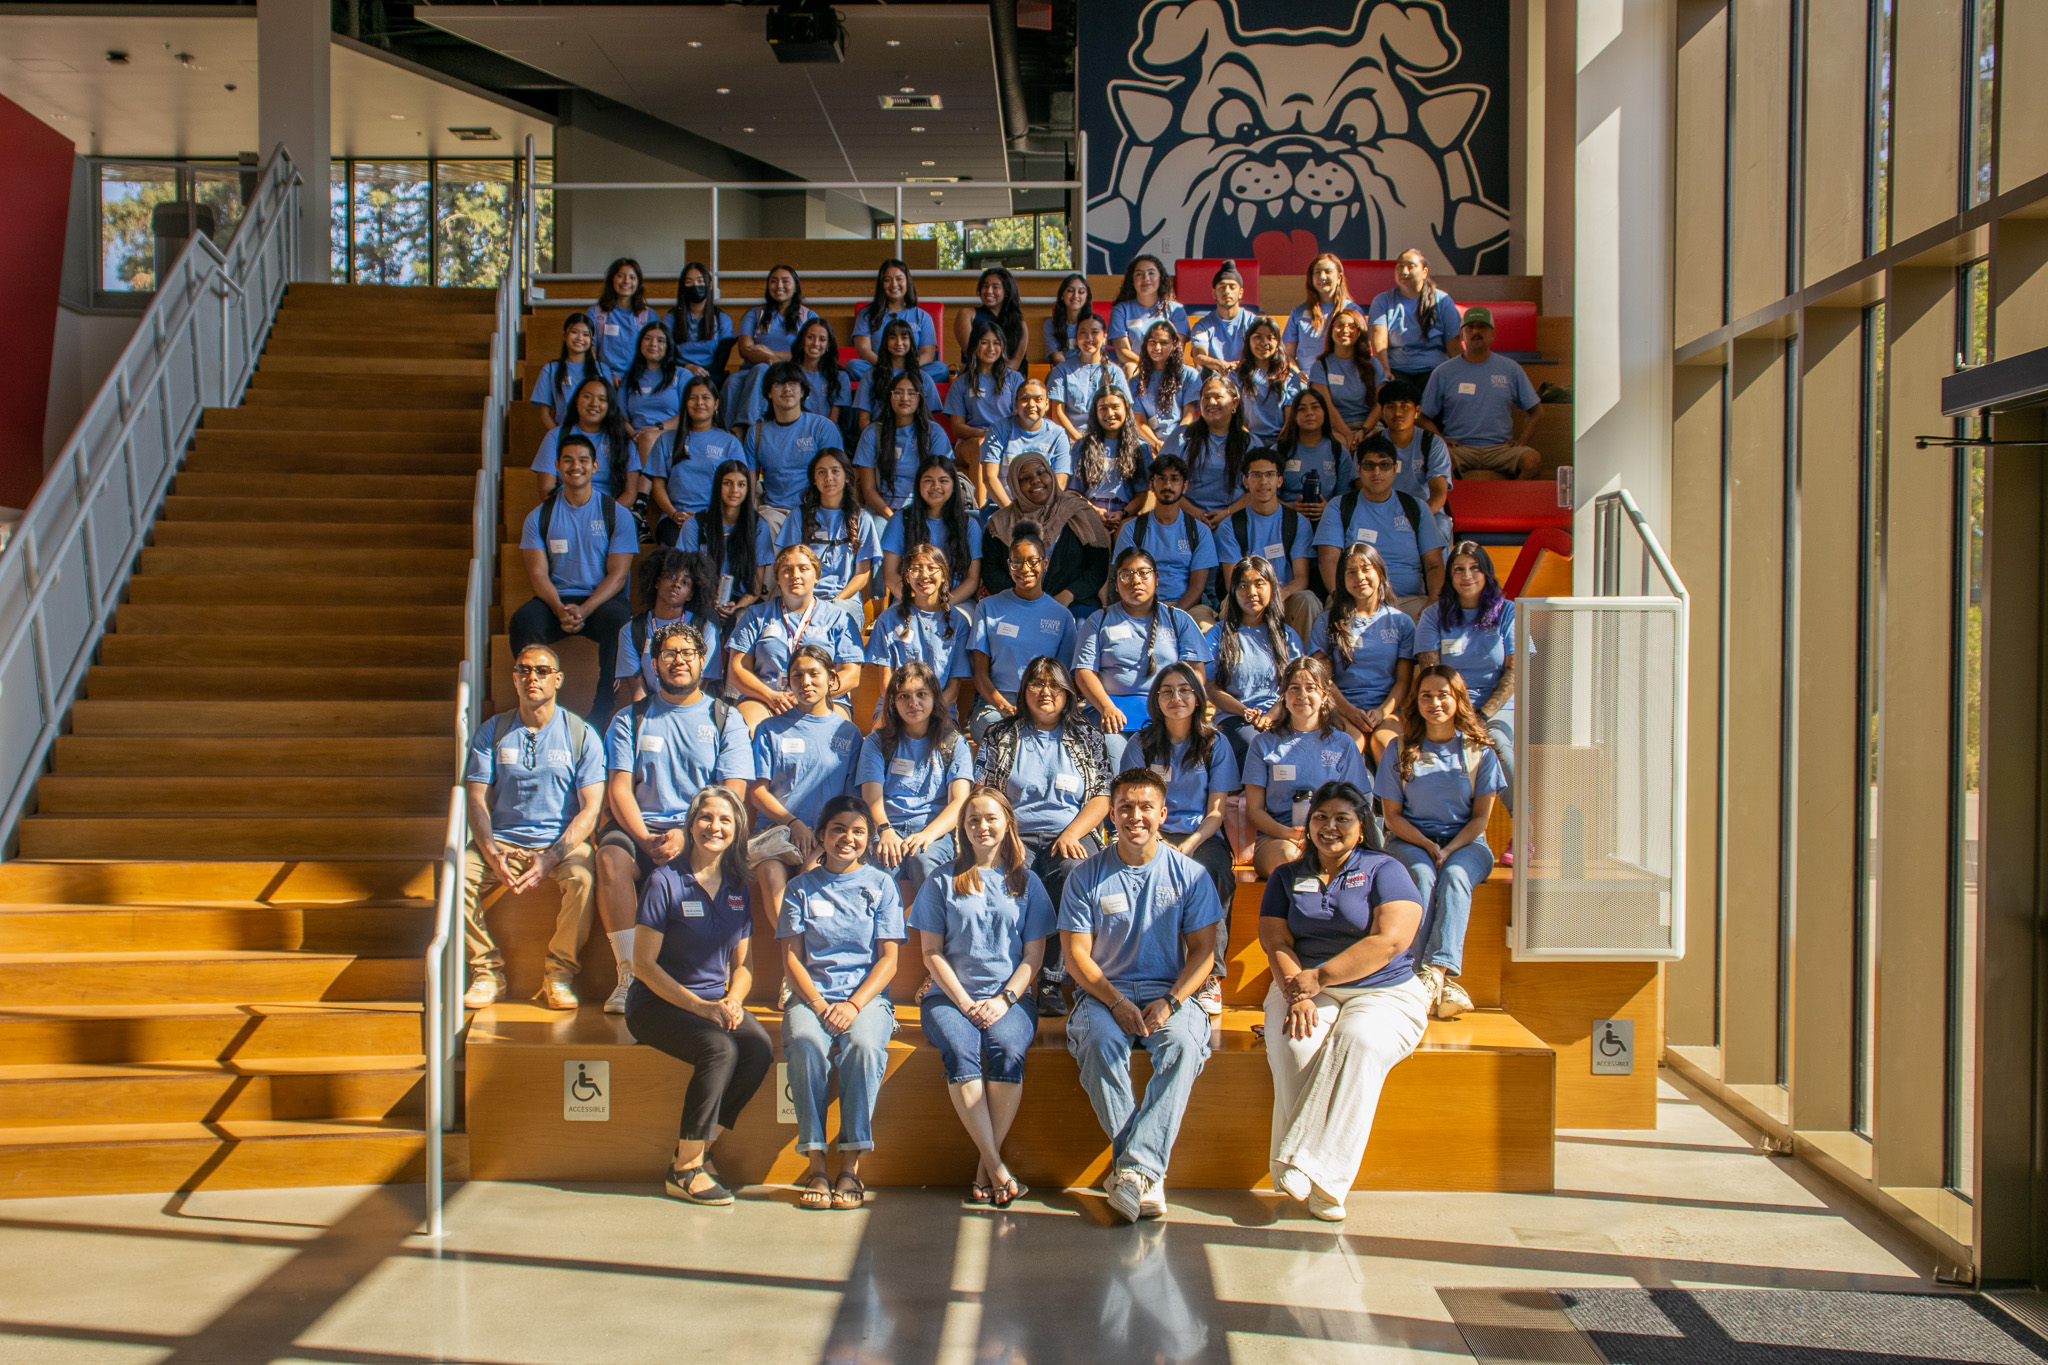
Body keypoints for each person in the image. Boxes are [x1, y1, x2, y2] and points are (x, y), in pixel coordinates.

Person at [1260, 780, 1431, 1221]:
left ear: (1361, 827)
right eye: (1320, 817)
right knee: (1296, 1045)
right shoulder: (1286, 875)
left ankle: (1311, 1169)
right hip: (1302, 983)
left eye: (1342, 818)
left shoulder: (1384, 868)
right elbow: (1274, 937)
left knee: (1358, 1041)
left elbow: (1391, 940)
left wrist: (1320, 978)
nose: (1329, 826)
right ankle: (1323, 1180)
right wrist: (1295, 988)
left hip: (1385, 991)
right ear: (1308, 823)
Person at [1060, 767, 1225, 1222]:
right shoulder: (1085, 876)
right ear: (1110, 815)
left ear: (1163, 813)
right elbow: (1077, 957)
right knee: (1098, 1042)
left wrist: (1171, 1002)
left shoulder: (1190, 875)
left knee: (1185, 1044)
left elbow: (1203, 954)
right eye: (1125, 808)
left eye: (1145, 808)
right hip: (1103, 994)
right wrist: (1115, 1001)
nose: (1135, 816)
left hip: (1168, 992)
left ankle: (1132, 1172)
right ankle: (1145, 1173)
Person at [626, 785, 773, 1205]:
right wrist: (701, 1008)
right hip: (657, 1003)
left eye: (725, 820)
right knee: (720, 1050)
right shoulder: (664, 881)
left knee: (759, 1048)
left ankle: (695, 1150)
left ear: (737, 830)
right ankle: (686, 1170)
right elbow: (644, 965)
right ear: (691, 825)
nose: (715, 826)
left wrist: (733, 1001)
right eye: (706, 817)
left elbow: (743, 966)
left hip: (712, 1003)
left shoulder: (738, 886)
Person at [909, 786, 1055, 1208]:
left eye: (991, 818)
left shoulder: (1028, 882)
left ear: (1008, 822)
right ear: (963, 828)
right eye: (973, 820)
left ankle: (984, 1169)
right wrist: (964, 1001)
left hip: (1009, 998)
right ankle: (997, 1166)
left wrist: (1005, 999)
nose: (982, 827)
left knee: (1007, 1050)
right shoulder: (942, 880)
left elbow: (1034, 956)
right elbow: (930, 952)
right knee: (962, 1049)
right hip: (948, 997)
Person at [599, 623, 755, 1011]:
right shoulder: (629, 719)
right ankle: (628, 972)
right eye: (668, 654)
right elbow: (619, 788)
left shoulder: (725, 717)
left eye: (687, 653)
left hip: (703, 828)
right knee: (609, 858)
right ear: (654, 664)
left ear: (703, 661)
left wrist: (688, 835)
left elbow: (733, 791)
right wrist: (645, 840)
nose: (678, 661)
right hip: (642, 826)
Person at [460, 644, 605, 1010]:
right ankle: (486, 971)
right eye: (524, 670)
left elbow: (590, 809)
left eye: (542, 671)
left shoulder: (581, 734)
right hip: (502, 842)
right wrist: (491, 851)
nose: (532, 678)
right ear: (514, 678)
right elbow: (475, 798)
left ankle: (558, 974)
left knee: (584, 880)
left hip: (560, 845)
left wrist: (552, 857)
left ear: (558, 679)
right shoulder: (493, 730)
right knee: (455, 875)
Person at [778, 795, 905, 1211]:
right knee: (805, 1045)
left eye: (857, 832)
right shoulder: (798, 889)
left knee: (865, 1047)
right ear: (820, 836)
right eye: (837, 829)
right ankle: (815, 1163)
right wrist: (816, 1003)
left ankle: (850, 1164)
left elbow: (888, 960)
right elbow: (792, 958)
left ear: (868, 840)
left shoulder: (881, 884)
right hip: (812, 995)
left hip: (864, 997)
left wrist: (852, 1005)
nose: (847, 838)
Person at [975, 655, 1114, 1015]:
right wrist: (1008, 836)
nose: (1045, 691)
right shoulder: (1001, 734)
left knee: (1071, 872)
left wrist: (1072, 833)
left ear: (1068, 692)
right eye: (1036, 683)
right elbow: (985, 793)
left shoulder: (1087, 735)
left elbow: (1101, 794)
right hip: (1013, 833)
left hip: (1071, 832)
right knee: (1006, 875)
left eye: (1054, 684)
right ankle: (1003, 978)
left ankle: (1052, 981)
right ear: (1024, 691)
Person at [1375, 666, 1505, 1022]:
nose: (1435, 703)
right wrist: (1430, 848)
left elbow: (1481, 819)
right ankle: (1429, 978)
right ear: (1415, 703)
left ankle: (1434, 972)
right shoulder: (1398, 750)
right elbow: (1393, 818)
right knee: (1420, 874)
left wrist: (1447, 851)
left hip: (1466, 842)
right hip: (1410, 839)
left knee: (1456, 876)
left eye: (1443, 695)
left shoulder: (1480, 752)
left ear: (1458, 700)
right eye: (1426, 696)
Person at [1117, 662, 1240, 1014]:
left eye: (1185, 690)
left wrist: (1187, 846)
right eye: (1167, 691)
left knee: (1215, 871)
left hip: (1199, 835)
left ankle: (1210, 976)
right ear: (1156, 699)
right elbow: (1132, 805)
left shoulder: (1216, 743)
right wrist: (1157, 840)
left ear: (1198, 698)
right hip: (1149, 832)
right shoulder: (1141, 743)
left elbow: (1217, 811)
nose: (1176, 698)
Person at [513, 434, 638, 723]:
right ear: (557, 466)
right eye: (568, 460)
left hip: (599, 602)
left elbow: (618, 577)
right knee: (524, 620)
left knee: (620, 618)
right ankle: (537, 701)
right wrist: (559, 608)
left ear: (595, 466)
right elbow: (537, 574)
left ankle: (603, 705)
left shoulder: (616, 514)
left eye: (583, 460)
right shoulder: (538, 516)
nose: (575, 466)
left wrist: (584, 610)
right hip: (556, 601)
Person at [749, 644, 863, 929]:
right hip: (775, 832)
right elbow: (756, 790)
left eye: (814, 674)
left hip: (825, 835)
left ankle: (810, 962)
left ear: (831, 680)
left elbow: (851, 799)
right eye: (797, 676)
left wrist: (822, 833)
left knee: (812, 875)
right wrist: (793, 823)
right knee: (770, 874)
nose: (806, 682)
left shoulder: (848, 733)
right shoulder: (769, 729)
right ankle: (791, 956)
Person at [1075, 546, 1213, 762]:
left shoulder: (1179, 620)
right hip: (1112, 713)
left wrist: (1175, 706)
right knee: (1115, 754)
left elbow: (1195, 672)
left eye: (1143, 572)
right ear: (1117, 583)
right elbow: (1084, 671)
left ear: (1156, 578)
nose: (1135, 580)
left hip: (1166, 711)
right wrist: (1106, 707)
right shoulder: (1098, 620)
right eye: (1126, 574)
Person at [1240, 657, 1373, 877]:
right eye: (1294, 688)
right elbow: (1254, 811)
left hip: (1332, 835)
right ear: (1283, 696)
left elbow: (1357, 804)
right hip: (1278, 839)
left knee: (1330, 858)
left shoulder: (1344, 744)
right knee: (1292, 858)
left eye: (1310, 688)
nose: (1302, 695)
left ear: (1325, 695)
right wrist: (1291, 834)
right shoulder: (1262, 744)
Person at [1416, 542, 1520, 805]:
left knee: (1497, 743)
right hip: (1449, 709)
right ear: (1450, 576)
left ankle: (1526, 828)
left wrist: (1482, 716)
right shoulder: (1432, 616)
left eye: (1475, 568)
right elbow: (1431, 676)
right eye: (1459, 569)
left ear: (1486, 573)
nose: (1467, 576)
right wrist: (1461, 714)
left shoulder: (1508, 612)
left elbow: (1515, 672)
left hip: (1497, 711)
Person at [860, 661, 975, 898]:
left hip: (931, 830)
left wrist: (928, 835)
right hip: (886, 827)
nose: (913, 703)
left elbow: (959, 802)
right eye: (904, 696)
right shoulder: (876, 742)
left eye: (922, 694)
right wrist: (885, 830)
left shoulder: (954, 743)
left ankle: (935, 933)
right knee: (873, 880)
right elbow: (871, 794)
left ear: (935, 697)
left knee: (925, 863)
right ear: (893, 702)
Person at [725, 544, 866, 728]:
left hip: (822, 700)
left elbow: (851, 674)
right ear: (777, 578)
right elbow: (737, 669)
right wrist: (770, 696)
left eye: (804, 568)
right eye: (787, 570)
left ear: (816, 577)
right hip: (767, 697)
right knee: (746, 729)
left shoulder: (838, 617)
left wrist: (812, 694)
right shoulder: (755, 615)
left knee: (839, 735)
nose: (795, 575)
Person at [1313, 433, 1448, 618]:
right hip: (1353, 600)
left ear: (1395, 469)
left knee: (1435, 623)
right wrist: (1340, 598)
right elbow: (1329, 560)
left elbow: (1434, 564)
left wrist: (1434, 601)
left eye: (1384, 465)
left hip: (1409, 601)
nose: (1377, 472)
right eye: (1369, 466)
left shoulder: (1416, 507)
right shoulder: (1339, 506)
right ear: (1359, 470)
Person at [968, 531, 1082, 737]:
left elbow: (1064, 678)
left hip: (1044, 702)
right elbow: (980, 673)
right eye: (1017, 563)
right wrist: (1004, 707)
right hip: (995, 704)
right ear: (1008, 565)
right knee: (1003, 734)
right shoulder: (987, 608)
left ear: (1045, 563)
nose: (1024, 569)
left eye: (1032, 561)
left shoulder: (1062, 616)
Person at [1310, 544, 1415, 762]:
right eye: (1351, 572)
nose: (1360, 577)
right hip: (1340, 708)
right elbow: (1322, 679)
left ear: (1379, 572)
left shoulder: (1401, 622)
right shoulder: (1326, 621)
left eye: (1366, 568)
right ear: (1342, 578)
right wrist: (1349, 711)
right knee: (1352, 743)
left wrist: (1382, 712)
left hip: (1387, 710)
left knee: (1387, 747)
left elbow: (1404, 682)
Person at [1203, 556, 1308, 766]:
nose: (1251, 592)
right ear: (1232, 592)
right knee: (1253, 744)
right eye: (1243, 585)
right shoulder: (1218, 635)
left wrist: (1271, 715)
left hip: (1282, 715)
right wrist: (1244, 711)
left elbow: (1296, 686)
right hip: (1235, 717)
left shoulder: (1286, 636)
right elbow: (1211, 687)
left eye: (1259, 584)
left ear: (1273, 588)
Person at [1419, 307, 1543, 480]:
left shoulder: (1511, 369)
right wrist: (1441, 440)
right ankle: (1455, 507)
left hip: (1500, 449)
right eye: (1470, 327)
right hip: (1460, 448)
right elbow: (1423, 417)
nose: (1476, 331)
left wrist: (1522, 441)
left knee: (1532, 460)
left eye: (1482, 327)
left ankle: (1510, 504)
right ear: (1461, 335)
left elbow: (1537, 411)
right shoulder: (1443, 372)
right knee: (1439, 460)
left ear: (1492, 334)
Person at [1213, 451, 1321, 640]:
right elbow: (1233, 582)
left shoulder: (1297, 522)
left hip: (1285, 598)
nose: (1263, 482)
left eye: (1270, 475)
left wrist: (1280, 593)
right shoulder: (1230, 526)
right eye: (1256, 475)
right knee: (1230, 602)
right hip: (1248, 597)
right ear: (1246, 481)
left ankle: (1302, 665)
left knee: (1308, 600)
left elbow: (1302, 578)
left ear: (1280, 480)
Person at [980, 457, 1111, 610]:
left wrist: (1068, 595)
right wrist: (1027, 598)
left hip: (1075, 603)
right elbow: (992, 572)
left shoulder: (1080, 512)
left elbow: (1098, 567)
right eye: (1025, 478)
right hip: (1017, 605)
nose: (1035, 480)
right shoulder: (999, 523)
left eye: (1041, 473)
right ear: (1015, 485)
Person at [865, 547, 975, 716]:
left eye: (932, 568)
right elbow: (886, 683)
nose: (924, 575)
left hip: (940, 710)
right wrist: (906, 712)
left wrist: (928, 714)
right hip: (895, 709)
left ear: (944, 575)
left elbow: (953, 688)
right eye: (916, 569)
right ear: (907, 577)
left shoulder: (958, 622)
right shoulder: (888, 619)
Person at [774, 447, 883, 613]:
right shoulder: (798, 517)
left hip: (845, 603)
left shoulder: (862, 519)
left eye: (835, 471)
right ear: (813, 479)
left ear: (847, 476)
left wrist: (834, 602)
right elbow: (787, 565)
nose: (828, 478)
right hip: (803, 601)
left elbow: (862, 574)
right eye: (821, 472)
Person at [614, 546, 722, 707]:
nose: (677, 584)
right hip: (650, 709)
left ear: (691, 594)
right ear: (657, 582)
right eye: (671, 577)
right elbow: (638, 691)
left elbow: (699, 687)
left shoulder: (706, 630)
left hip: (691, 710)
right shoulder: (631, 630)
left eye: (685, 582)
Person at [1107, 457, 1217, 614]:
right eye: (1161, 479)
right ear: (1151, 484)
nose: (1168, 485)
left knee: (1206, 632)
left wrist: (1172, 615)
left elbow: (1197, 587)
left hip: (1188, 608)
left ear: (1185, 486)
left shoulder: (1199, 531)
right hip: (1141, 606)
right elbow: (1127, 579)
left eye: (1175, 479)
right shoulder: (1132, 529)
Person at [744, 362, 843, 526]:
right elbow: (750, 481)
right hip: (773, 511)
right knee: (763, 528)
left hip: (815, 509)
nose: (787, 389)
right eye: (780, 383)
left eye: (793, 383)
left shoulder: (822, 427)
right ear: (769, 392)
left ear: (803, 391)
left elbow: (837, 475)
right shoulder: (756, 432)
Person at [646, 377, 747, 539]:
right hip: (675, 520)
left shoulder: (730, 443)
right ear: (685, 404)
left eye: (705, 398)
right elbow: (658, 487)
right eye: (693, 398)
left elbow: (740, 487)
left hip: (717, 518)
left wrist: (719, 516)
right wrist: (674, 515)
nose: (699, 402)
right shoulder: (665, 440)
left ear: (716, 404)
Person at [679, 459, 775, 627]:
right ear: (718, 486)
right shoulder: (696, 524)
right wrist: (711, 603)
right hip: (701, 598)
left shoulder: (758, 526)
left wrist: (736, 606)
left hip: (743, 600)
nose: (734, 490)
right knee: (708, 618)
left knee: (740, 619)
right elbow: (686, 575)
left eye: (741, 485)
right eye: (727, 483)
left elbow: (755, 587)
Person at [725, 264, 817, 429]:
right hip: (751, 370)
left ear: (796, 285)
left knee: (762, 370)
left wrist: (769, 353)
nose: (779, 286)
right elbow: (745, 349)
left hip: (789, 373)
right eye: (774, 281)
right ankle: (726, 434)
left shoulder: (807, 316)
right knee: (732, 381)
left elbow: (807, 353)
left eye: (785, 281)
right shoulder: (755, 314)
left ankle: (748, 428)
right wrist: (769, 358)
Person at [881, 456, 982, 603]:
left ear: (954, 486)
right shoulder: (901, 520)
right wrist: (917, 603)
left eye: (943, 481)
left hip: (957, 601)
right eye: (928, 480)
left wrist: (943, 604)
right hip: (909, 600)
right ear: (918, 485)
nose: (936, 486)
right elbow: (889, 575)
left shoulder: (969, 524)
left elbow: (973, 579)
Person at [943, 321, 1024, 503]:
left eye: (996, 343)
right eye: (984, 342)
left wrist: (997, 435)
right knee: (982, 446)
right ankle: (978, 513)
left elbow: (1020, 417)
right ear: (974, 346)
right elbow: (957, 428)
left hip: (1007, 439)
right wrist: (985, 434)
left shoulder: (1014, 379)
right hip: (971, 442)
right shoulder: (961, 383)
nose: (991, 348)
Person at [855, 371, 953, 517]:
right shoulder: (872, 433)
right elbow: (868, 489)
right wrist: (891, 516)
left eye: (912, 393)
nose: (905, 398)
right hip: (882, 511)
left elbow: (942, 482)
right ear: (890, 397)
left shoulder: (934, 432)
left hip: (925, 509)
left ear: (920, 398)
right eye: (898, 393)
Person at [1369, 248, 1463, 389]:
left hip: (1435, 370)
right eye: (1400, 266)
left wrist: (1459, 376)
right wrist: (1385, 371)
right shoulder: (1382, 300)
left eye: (1410, 266)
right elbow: (1379, 342)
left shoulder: (1442, 301)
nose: (1404, 271)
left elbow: (1454, 346)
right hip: (1397, 370)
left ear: (1424, 272)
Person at [531, 376, 634, 501]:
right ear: (576, 401)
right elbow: (546, 490)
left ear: (610, 406)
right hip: (565, 510)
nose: (594, 403)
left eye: (602, 399)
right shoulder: (555, 436)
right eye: (587, 397)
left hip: (608, 512)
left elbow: (630, 493)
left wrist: (606, 516)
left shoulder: (622, 441)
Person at [737, 317, 849, 429]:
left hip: (824, 433)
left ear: (829, 345)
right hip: (789, 432)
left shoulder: (840, 377)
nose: (816, 343)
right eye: (810, 337)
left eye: (822, 339)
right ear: (802, 340)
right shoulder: (787, 373)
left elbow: (833, 420)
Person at [1379, 379, 1454, 545]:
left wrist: (1413, 520)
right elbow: (1362, 488)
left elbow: (1439, 494)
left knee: (1441, 527)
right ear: (1382, 413)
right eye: (1391, 407)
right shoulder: (1373, 444)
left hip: (1426, 513)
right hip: (1383, 513)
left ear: (1417, 411)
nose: (1398, 412)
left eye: (1405, 406)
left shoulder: (1432, 443)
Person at [1272, 388, 1354, 536]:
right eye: (1302, 409)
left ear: (1324, 412)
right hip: (1283, 522)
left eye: (1315, 407)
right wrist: (1290, 508)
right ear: (1294, 415)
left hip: (1327, 523)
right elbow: (1268, 494)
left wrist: (1329, 508)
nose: (1309, 413)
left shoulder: (1338, 452)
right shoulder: (1279, 450)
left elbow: (1345, 497)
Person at [849, 258, 946, 384]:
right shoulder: (867, 314)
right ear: (881, 284)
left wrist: (907, 369)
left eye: (899, 279)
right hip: (880, 368)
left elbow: (928, 353)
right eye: (887, 280)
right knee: (853, 366)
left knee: (941, 369)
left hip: (913, 370)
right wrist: (886, 367)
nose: (894, 284)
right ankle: (899, 382)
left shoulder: (922, 316)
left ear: (907, 282)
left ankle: (894, 382)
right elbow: (863, 349)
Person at [1070, 388, 1151, 536]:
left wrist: (1122, 514)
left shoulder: (1140, 448)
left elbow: (1141, 495)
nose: (1110, 413)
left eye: (1115, 407)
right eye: (1103, 408)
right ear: (1095, 413)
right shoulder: (1082, 446)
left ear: (1126, 409)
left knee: (1125, 534)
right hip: (1089, 511)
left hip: (1125, 513)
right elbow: (1074, 491)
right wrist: (1095, 511)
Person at [981, 379, 1073, 504]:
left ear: (1047, 404)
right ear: (1016, 404)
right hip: (1002, 507)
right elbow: (989, 477)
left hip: (1044, 508)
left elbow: (1060, 482)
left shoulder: (1058, 434)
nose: (1031, 404)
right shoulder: (998, 430)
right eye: (1024, 399)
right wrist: (1011, 512)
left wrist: (1041, 512)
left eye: (1038, 399)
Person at [1046, 313, 1135, 443]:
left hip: (1107, 438)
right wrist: (1078, 440)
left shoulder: (1115, 372)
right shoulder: (1061, 371)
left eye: (1094, 332)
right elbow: (1057, 414)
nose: (1089, 338)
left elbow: (1124, 411)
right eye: (1083, 333)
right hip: (1071, 439)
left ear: (1105, 337)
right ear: (1076, 338)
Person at [1308, 309, 1385, 451]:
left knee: (1373, 445)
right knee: (1340, 445)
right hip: (1335, 427)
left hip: (1369, 426)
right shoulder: (1320, 366)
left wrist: (1364, 431)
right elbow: (1327, 406)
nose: (1345, 330)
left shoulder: (1373, 364)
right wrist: (1348, 434)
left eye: (1352, 326)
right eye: (1339, 325)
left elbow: (1381, 402)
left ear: (1360, 331)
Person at [620, 321, 684, 490]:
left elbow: (688, 414)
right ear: (640, 342)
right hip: (635, 436)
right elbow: (621, 417)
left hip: (671, 433)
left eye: (660, 340)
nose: (653, 344)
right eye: (648, 338)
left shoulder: (681, 374)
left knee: (648, 437)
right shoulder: (630, 378)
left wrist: (655, 428)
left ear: (668, 345)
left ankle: (644, 499)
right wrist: (634, 434)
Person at [1130, 322, 1202, 462]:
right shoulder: (1136, 381)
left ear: (1174, 344)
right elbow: (1140, 421)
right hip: (1149, 443)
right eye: (1153, 342)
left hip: (1182, 439)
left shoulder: (1189, 375)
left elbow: (1188, 416)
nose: (1157, 347)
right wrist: (1156, 443)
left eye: (1164, 343)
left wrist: (1173, 443)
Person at [852, 320, 944, 430]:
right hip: (880, 435)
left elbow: (926, 420)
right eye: (892, 337)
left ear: (911, 342)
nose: (898, 343)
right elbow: (864, 421)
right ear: (885, 342)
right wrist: (875, 440)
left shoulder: (923, 378)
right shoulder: (870, 375)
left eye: (904, 337)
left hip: (912, 440)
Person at [1282, 252, 1364, 373]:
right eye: (1317, 272)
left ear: (1339, 277)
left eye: (1328, 271)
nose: (1322, 276)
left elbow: (1361, 353)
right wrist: (1298, 375)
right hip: (1304, 382)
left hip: (1340, 379)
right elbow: (1287, 355)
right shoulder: (1298, 312)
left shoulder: (1353, 311)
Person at [1108, 254, 1189, 372]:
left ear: (1160, 277)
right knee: (1130, 368)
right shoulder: (1121, 310)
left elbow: (1177, 348)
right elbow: (1122, 351)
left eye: (1151, 273)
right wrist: (1147, 366)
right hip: (1137, 368)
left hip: (1167, 369)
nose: (1146, 278)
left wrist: (1159, 368)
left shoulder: (1176, 310)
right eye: (1139, 274)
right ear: (1132, 280)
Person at [1233, 317, 1304, 442]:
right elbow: (1236, 417)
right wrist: (1251, 442)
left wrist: (1278, 444)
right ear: (1248, 341)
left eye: (1270, 338)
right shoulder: (1236, 376)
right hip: (1247, 441)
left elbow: (1290, 420)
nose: (1264, 342)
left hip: (1280, 442)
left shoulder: (1289, 376)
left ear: (1278, 343)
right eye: (1257, 337)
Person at [530, 312, 604, 429]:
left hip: (596, 434)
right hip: (565, 433)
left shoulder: (602, 369)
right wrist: (560, 438)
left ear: (592, 340)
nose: (580, 338)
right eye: (574, 332)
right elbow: (545, 415)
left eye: (585, 334)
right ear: (564, 336)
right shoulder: (550, 369)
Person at [663, 261, 735, 381]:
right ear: (683, 286)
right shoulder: (671, 318)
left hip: (711, 375)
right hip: (678, 373)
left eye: (700, 281)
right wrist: (687, 368)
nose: (695, 285)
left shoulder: (723, 319)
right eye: (689, 282)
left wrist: (701, 374)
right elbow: (666, 355)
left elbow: (721, 361)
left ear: (710, 285)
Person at [589, 257, 658, 375]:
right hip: (604, 379)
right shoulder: (595, 313)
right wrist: (606, 376)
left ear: (639, 282)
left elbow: (653, 355)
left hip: (637, 380)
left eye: (632, 277)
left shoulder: (649, 315)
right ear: (612, 279)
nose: (626, 281)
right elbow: (591, 350)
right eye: (620, 276)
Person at [953, 266, 1028, 374]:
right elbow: (973, 355)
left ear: (1006, 291)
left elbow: (1015, 365)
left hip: (1009, 378)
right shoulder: (967, 314)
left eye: (995, 287)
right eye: (985, 286)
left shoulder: (1020, 324)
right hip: (976, 377)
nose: (989, 291)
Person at [1188, 261, 1254, 372]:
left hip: (1245, 377)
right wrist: (1219, 364)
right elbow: (1199, 356)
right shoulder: (1203, 326)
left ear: (1241, 293)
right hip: (1215, 380)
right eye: (1222, 287)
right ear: (1214, 293)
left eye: (1232, 287)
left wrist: (1240, 366)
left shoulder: (1253, 322)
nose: (1227, 291)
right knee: (1200, 370)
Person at [1041, 271, 1095, 367]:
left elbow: (1094, 356)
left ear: (1087, 297)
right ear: (1062, 295)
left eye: (1081, 292)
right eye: (1070, 290)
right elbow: (1058, 358)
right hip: (1062, 371)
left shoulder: (1094, 324)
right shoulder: (1050, 324)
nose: (1075, 296)